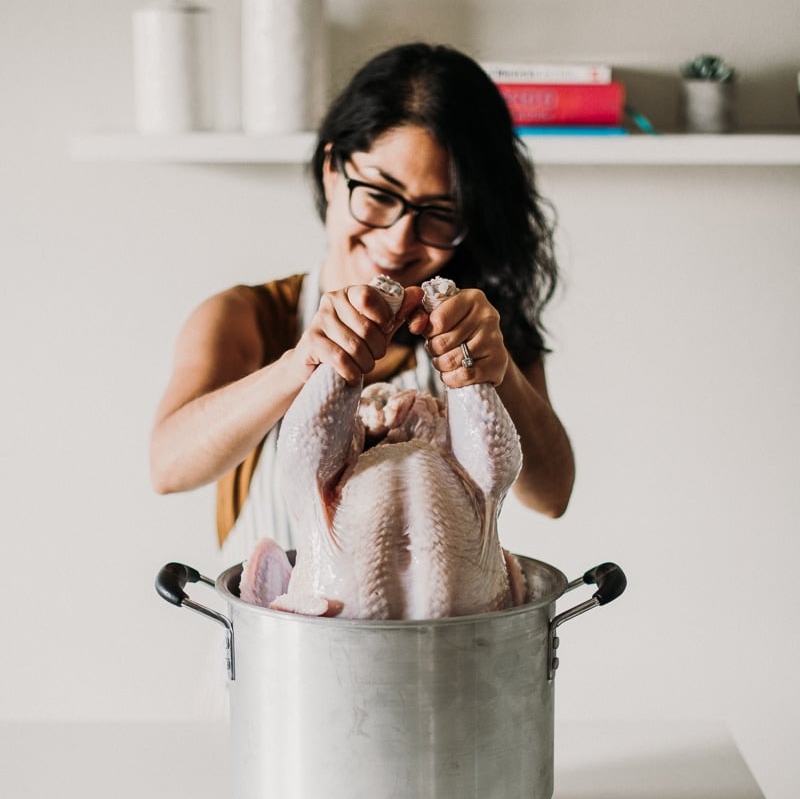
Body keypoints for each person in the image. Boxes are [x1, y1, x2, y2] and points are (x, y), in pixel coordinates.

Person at [150, 42, 575, 567]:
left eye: (440, 214)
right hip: (278, 643)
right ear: (333, 170)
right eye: (378, 195)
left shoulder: (479, 328)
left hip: (438, 647)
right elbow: (168, 466)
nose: (399, 240)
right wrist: (298, 364)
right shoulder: (250, 317)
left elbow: (552, 495)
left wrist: (498, 368)